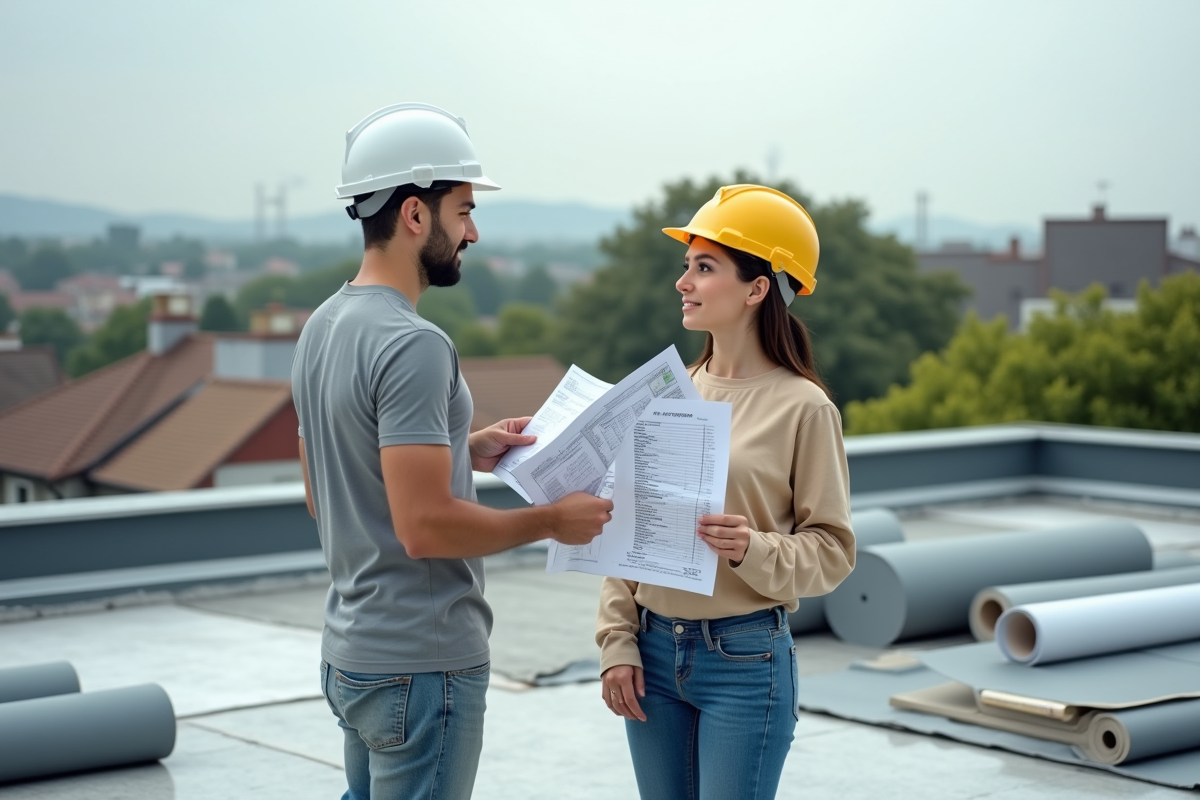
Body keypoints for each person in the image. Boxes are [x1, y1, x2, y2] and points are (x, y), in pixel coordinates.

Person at [292, 103, 612, 800]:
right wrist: (551, 521)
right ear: (414, 213)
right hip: (421, 662)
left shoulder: (323, 325)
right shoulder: (414, 344)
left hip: (352, 653)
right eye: (463, 210)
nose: (473, 231)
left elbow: (329, 485)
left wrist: (460, 449)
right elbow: (425, 527)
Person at [596, 184, 856, 800]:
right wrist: (617, 642)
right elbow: (626, 533)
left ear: (757, 288)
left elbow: (833, 551)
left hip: (746, 660)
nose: (683, 282)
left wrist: (751, 548)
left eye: (705, 267)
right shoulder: (669, 390)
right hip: (652, 656)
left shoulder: (805, 407)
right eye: (687, 265)